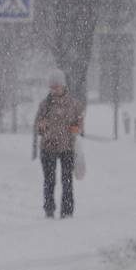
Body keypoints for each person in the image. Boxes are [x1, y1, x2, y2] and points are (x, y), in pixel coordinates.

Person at [34, 70, 85, 219]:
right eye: (51, 87)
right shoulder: (44, 105)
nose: (53, 90)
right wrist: (41, 126)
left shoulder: (74, 104)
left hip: (67, 147)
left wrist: (77, 127)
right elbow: (37, 125)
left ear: (63, 86)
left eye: (56, 86)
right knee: (49, 181)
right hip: (48, 147)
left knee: (67, 180)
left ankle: (67, 211)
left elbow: (79, 122)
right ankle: (49, 210)